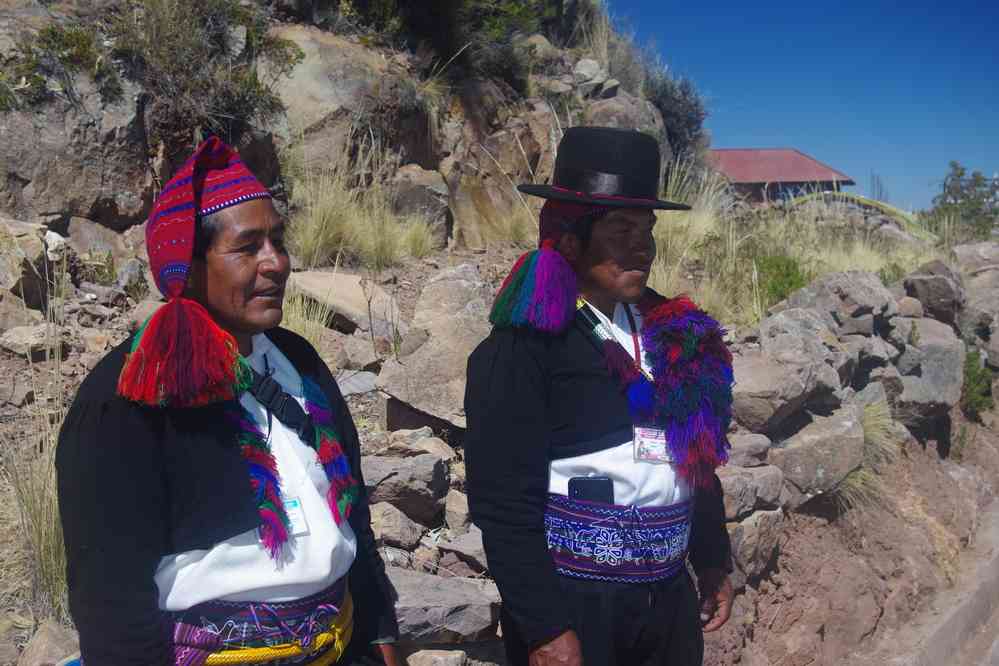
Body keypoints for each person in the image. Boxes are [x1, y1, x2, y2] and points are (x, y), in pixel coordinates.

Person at [56, 137, 401, 666]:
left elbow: (353, 514)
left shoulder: (299, 364)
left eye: (278, 242)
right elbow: (110, 597)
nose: (277, 263)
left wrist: (379, 633)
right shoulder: (126, 401)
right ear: (189, 268)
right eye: (248, 248)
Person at [464, 126, 735, 666]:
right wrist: (544, 628)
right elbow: (503, 504)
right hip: (575, 608)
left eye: (647, 229)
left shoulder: (678, 333)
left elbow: (698, 460)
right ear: (570, 237)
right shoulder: (524, 349)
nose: (642, 246)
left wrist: (711, 556)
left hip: (669, 605)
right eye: (620, 229)